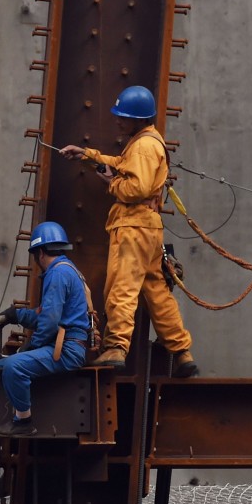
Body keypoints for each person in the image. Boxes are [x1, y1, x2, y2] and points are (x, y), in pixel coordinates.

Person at [60, 85, 198, 377]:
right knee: (157, 293)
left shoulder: (144, 146)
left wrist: (112, 184)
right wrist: (87, 155)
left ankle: (116, 348)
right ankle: (182, 352)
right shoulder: (144, 143)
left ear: (138, 119)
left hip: (133, 227)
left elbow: (136, 187)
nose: (118, 120)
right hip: (147, 229)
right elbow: (122, 165)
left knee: (122, 287)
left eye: (123, 116)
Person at [0, 221, 91, 436]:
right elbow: (43, 314)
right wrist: (12, 315)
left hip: (68, 349)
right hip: (69, 345)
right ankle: (19, 410)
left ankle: (23, 421)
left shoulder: (57, 274)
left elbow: (50, 321)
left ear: (41, 252)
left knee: (14, 366)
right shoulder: (68, 270)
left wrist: (31, 347)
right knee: (2, 366)